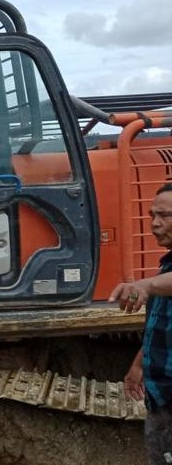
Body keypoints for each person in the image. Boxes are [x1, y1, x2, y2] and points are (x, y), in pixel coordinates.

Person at [109, 182, 172, 465]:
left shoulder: (160, 279)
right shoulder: (165, 268)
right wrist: (139, 364)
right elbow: (160, 325)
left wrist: (145, 284)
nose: (155, 224)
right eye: (151, 215)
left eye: (165, 216)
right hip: (162, 396)